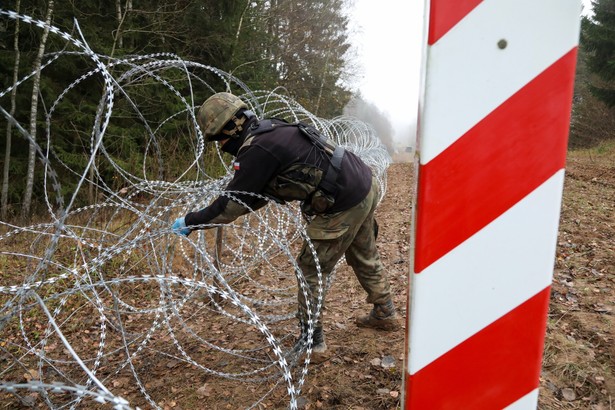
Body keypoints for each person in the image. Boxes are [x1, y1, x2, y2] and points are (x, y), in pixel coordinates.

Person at [172, 92, 399, 357]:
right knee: (363, 253)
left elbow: (229, 208)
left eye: (218, 138)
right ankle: (385, 312)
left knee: (311, 269)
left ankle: (312, 343)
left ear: (231, 129)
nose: (220, 145)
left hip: (342, 199)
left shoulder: (256, 150)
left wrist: (191, 221)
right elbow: (256, 197)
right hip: (361, 181)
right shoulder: (272, 128)